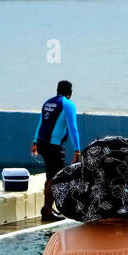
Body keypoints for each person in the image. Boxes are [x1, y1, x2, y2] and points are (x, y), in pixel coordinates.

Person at [31, 80, 81, 222]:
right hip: (53, 146)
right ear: (70, 93)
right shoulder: (68, 104)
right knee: (55, 178)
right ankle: (47, 211)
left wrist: (35, 141)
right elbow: (73, 128)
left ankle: (47, 207)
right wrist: (77, 150)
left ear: (57, 90)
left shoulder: (48, 102)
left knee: (50, 176)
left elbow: (41, 123)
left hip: (42, 142)